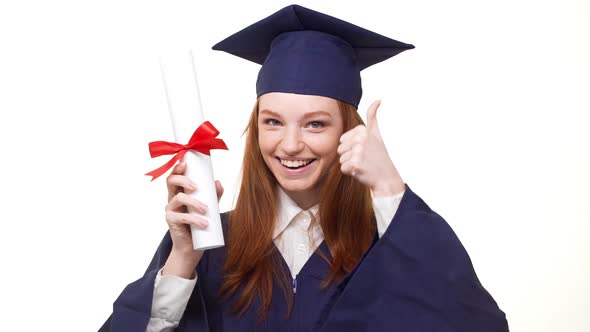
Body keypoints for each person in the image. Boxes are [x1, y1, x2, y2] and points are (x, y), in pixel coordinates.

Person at [100, 4, 509, 332]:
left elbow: (471, 322)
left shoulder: (389, 245)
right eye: (273, 122)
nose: (290, 144)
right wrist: (182, 260)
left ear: (348, 132)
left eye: (315, 123)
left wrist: (390, 190)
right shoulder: (210, 245)